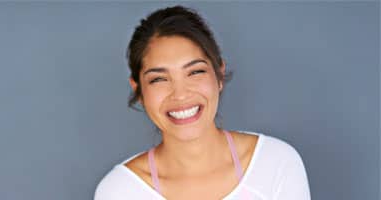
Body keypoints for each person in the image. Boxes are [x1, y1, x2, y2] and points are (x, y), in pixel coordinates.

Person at [94, 5, 310, 200]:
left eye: (195, 72)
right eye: (159, 79)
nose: (180, 94)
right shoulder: (120, 191)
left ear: (219, 74)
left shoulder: (275, 163)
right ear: (138, 90)